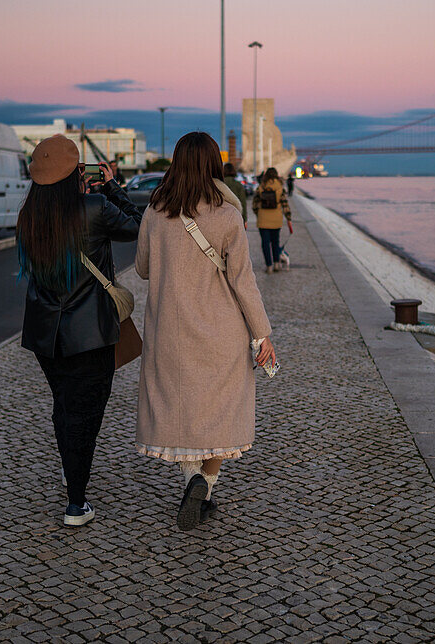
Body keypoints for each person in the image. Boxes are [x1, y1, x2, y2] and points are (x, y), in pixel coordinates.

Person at [135, 132, 277, 531]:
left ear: (176, 163)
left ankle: (192, 481)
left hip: (168, 333)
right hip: (220, 332)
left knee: (178, 408)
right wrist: (261, 334)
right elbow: (244, 281)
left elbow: (143, 269)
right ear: (214, 164)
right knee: (219, 412)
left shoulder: (154, 212)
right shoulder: (228, 216)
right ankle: (206, 487)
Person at [17, 134, 143, 528]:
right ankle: (76, 502)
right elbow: (139, 226)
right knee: (85, 413)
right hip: (90, 332)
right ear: (77, 173)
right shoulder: (95, 207)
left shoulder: (29, 214)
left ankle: (71, 467)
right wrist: (110, 185)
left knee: (65, 404)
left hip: (44, 332)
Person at [251, 167, 292, 274]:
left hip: (263, 219)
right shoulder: (280, 187)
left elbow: (254, 205)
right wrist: (288, 218)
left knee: (265, 243)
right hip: (276, 219)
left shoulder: (261, 187)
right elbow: (285, 204)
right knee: (275, 242)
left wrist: (258, 213)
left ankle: (269, 266)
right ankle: (277, 264)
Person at [223, 162, 248, 229]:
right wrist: (244, 219)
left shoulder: (219, 185)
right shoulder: (238, 185)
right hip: (236, 217)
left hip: (222, 218)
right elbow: (243, 203)